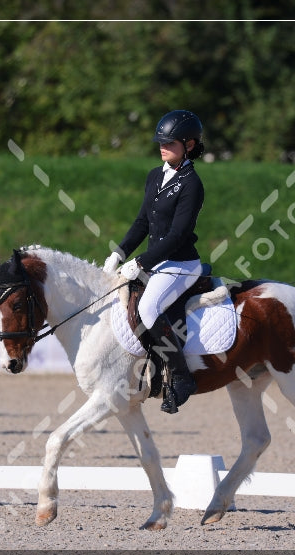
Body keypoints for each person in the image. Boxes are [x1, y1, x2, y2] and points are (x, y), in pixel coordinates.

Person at [103, 109, 206, 414]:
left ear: (189, 144)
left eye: (170, 143)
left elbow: (177, 236)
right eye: (160, 142)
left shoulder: (192, 184)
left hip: (180, 264)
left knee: (148, 308)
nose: (163, 147)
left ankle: (182, 378)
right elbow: (142, 222)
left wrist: (142, 262)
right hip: (157, 261)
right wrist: (119, 253)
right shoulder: (154, 175)